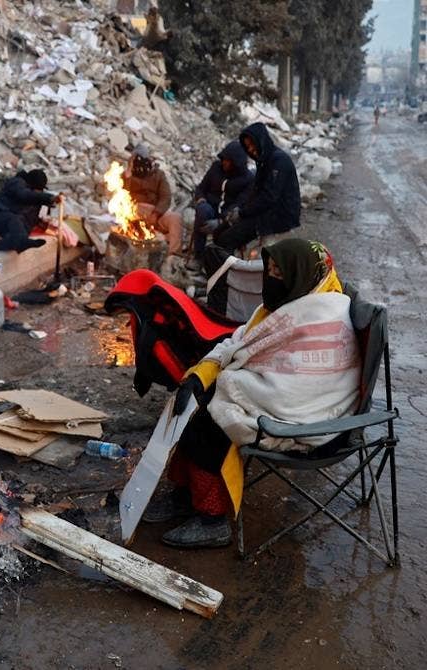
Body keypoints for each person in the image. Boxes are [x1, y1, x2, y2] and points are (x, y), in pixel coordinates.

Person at [146, 239, 360, 548]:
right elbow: (239, 342)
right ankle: (185, 495)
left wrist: (226, 385)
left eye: (279, 273)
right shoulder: (285, 304)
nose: (270, 278)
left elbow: (298, 389)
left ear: (300, 275)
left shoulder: (323, 315)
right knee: (197, 400)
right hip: (276, 403)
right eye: (268, 270)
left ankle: (212, 521)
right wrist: (200, 375)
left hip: (310, 422)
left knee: (210, 422)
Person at [210, 122, 300, 254]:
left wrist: (242, 213)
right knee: (219, 233)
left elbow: (269, 197)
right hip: (264, 212)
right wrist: (240, 210)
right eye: (248, 147)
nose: (251, 149)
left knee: (226, 240)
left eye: (252, 144)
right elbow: (256, 192)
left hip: (278, 216)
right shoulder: (264, 161)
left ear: (261, 141)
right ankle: (224, 263)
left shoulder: (279, 161)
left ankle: (228, 266)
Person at [188, 141, 254, 269]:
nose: (224, 163)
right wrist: (200, 199)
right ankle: (198, 256)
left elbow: (240, 204)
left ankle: (218, 265)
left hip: (229, 216)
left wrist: (221, 221)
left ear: (236, 163)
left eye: (228, 161)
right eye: (224, 159)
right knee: (202, 210)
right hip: (210, 208)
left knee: (226, 234)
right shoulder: (216, 168)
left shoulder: (248, 179)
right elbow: (201, 188)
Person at [0, 169, 62, 252]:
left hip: (9, 225)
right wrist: (48, 198)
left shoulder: (34, 199)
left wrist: (39, 222)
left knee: (19, 229)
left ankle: (8, 244)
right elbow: (24, 195)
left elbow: (29, 220)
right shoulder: (17, 183)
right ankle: (21, 242)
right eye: (39, 189)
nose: (39, 192)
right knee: (14, 220)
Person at [123, 145, 183, 256]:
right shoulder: (129, 175)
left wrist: (156, 213)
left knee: (175, 218)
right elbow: (123, 195)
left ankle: (173, 255)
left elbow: (166, 197)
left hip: (155, 212)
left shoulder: (158, 175)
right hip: (136, 210)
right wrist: (128, 175)